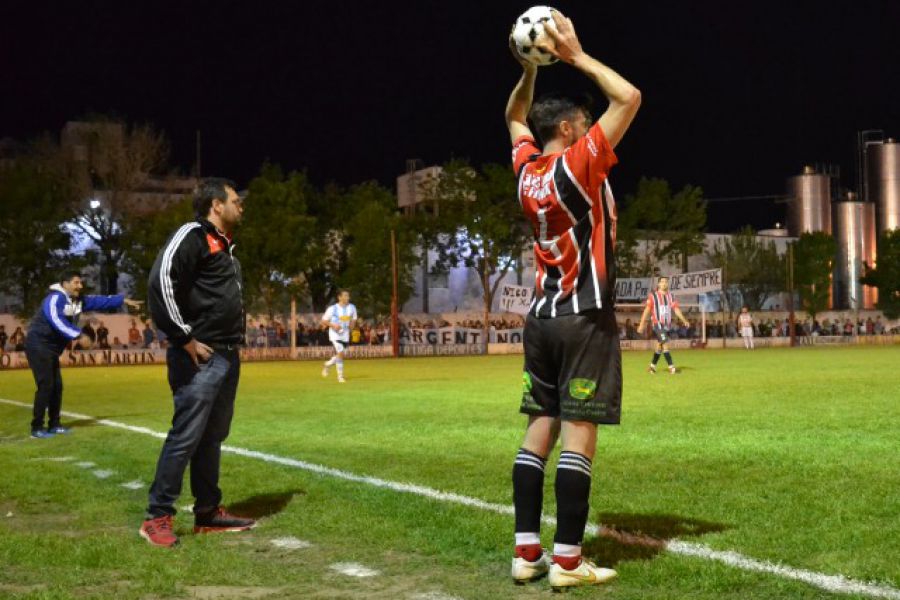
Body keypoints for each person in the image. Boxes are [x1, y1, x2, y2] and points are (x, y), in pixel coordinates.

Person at [505, 10, 640, 590]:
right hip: (584, 319)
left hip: (541, 320)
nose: (591, 128)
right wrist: (573, 55)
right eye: (583, 122)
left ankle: (525, 552)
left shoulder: (528, 172)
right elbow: (629, 97)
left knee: (540, 429)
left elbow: (514, 115)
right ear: (567, 130)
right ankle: (566, 561)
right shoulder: (576, 166)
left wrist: (528, 68)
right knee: (581, 432)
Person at [142, 178, 254, 547]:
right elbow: (161, 280)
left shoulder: (225, 246)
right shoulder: (192, 234)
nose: (241, 205)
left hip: (226, 353)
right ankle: (157, 516)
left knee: (212, 436)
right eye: (236, 200)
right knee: (186, 435)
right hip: (200, 356)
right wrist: (183, 337)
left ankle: (208, 512)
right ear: (216, 205)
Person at [24, 272, 140, 438]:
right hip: (38, 345)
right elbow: (55, 320)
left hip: (49, 348)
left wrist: (122, 300)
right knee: (46, 386)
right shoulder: (55, 298)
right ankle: (37, 428)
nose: (80, 286)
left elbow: (99, 301)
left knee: (57, 387)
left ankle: (54, 425)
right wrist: (78, 335)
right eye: (76, 282)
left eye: (80, 282)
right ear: (65, 284)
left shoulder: (77, 301)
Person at [637, 277, 690, 374]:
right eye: (662, 282)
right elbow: (647, 311)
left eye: (666, 282)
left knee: (659, 346)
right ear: (658, 285)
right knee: (665, 343)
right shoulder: (653, 296)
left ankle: (652, 367)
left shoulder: (671, 296)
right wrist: (641, 324)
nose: (664, 283)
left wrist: (684, 320)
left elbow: (676, 310)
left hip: (667, 325)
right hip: (657, 324)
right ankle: (671, 367)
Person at [321, 289, 357, 383]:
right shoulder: (332, 308)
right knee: (340, 353)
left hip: (345, 334)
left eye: (348, 296)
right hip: (334, 334)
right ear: (339, 297)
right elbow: (324, 320)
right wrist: (333, 325)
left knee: (340, 355)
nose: (347, 298)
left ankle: (327, 364)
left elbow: (354, 319)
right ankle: (340, 376)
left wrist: (351, 328)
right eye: (345, 296)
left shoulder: (352, 307)